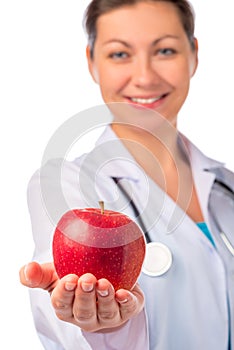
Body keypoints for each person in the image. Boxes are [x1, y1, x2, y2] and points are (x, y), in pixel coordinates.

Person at [19, 0, 234, 349]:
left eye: (165, 50)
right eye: (120, 54)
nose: (145, 77)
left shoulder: (227, 186)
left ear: (193, 55)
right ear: (92, 62)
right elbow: (68, 323)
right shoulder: (67, 183)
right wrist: (98, 324)